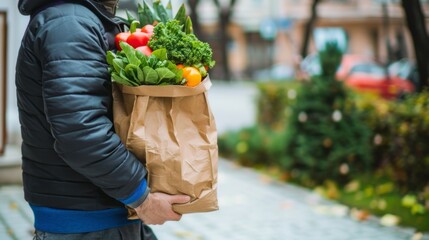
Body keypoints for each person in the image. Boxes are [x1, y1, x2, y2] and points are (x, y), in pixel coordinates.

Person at [15, 0, 190, 239]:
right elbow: (82, 133)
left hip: (99, 211)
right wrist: (143, 199)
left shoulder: (78, 18)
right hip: (88, 220)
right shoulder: (69, 24)